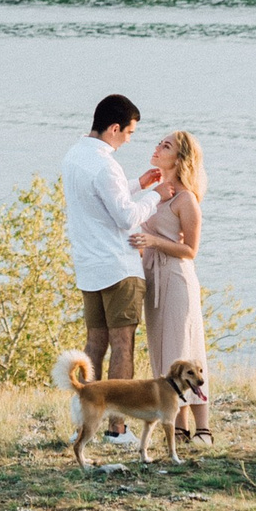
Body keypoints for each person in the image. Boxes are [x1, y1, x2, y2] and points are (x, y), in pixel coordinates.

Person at [61, 93, 162, 439]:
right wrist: (155, 196)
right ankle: (117, 428)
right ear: (115, 128)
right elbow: (125, 216)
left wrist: (137, 184)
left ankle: (85, 423)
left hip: (89, 267)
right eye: (130, 132)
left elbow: (100, 198)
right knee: (123, 345)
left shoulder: (75, 155)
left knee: (95, 345)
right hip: (118, 268)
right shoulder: (106, 164)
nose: (130, 139)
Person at [131, 130, 212, 443]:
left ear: (179, 160)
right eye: (159, 143)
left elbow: (190, 250)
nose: (157, 147)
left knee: (186, 353)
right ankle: (177, 428)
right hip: (153, 279)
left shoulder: (186, 199)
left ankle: (202, 429)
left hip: (177, 279)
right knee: (164, 357)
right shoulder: (154, 192)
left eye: (165, 146)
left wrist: (153, 241)